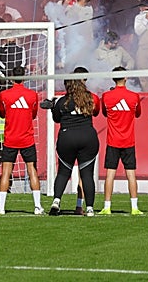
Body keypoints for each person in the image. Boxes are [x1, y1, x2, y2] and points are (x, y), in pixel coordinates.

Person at [47, 68, 101, 216]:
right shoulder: (91, 98)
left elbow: (56, 119)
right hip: (87, 137)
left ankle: (56, 201)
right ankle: (89, 208)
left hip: (67, 137)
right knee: (87, 175)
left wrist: (52, 108)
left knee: (64, 172)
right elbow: (96, 112)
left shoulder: (62, 101)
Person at [0, 65, 43, 215]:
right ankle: (37, 207)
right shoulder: (32, 95)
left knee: (6, 172)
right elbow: (34, 114)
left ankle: (1, 208)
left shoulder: (4, 95)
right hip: (27, 138)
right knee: (32, 170)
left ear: (11, 77)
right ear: (25, 77)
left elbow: (2, 114)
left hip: (10, 138)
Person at [99, 66, 144, 215]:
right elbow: (138, 114)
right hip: (128, 141)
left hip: (113, 141)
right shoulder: (134, 97)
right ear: (126, 78)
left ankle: (107, 206)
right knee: (131, 174)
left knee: (110, 174)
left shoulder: (106, 96)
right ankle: (134, 207)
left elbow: (105, 113)